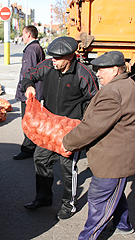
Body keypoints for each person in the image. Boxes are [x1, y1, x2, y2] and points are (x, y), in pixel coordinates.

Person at [21, 36, 99, 220]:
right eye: (52, 57)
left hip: (70, 128)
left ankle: (68, 204)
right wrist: (29, 86)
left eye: (57, 58)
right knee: (40, 159)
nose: (53, 60)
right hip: (48, 126)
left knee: (67, 167)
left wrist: (83, 126)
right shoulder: (47, 65)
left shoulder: (84, 74)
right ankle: (43, 197)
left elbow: (94, 101)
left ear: (70, 57)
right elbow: (29, 74)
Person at [62, 51, 135, 238]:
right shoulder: (128, 84)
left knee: (98, 199)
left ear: (116, 70)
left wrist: (68, 143)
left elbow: (92, 127)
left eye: (102, 69)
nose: (98, 73)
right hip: (117, 154)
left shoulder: (113, 92)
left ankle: (87, 237)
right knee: (114, 195)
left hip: (113, 159)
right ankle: (124, 225)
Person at [13, 25, 45, 160]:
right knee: (32, 119)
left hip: (29, 92)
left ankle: (28, 148)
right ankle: (32, 146)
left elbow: (29, 73)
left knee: (28, 120)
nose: (22, 37)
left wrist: (25, 88)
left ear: (29, 35)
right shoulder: (36, 48)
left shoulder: (31, 49)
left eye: (23, 34)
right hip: (32, 91)